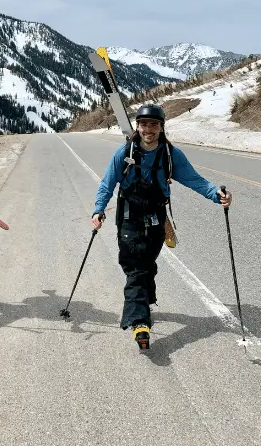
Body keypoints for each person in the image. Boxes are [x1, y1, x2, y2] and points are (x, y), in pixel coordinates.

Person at [91, 104, 232, 348]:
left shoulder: (170, 154)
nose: (149, 129)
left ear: (161, 126)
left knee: (147, 263)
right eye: (144, 124)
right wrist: (98, 209)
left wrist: (215, 194)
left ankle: (146, 298)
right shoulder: (123, 152)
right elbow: (107, 184)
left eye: (154, 124)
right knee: (135, 266)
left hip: (157, 216)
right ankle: (139, 321)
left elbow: (193, 179)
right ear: (137, 126)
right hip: (129, 216)